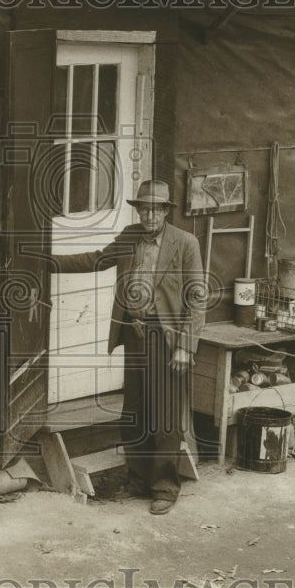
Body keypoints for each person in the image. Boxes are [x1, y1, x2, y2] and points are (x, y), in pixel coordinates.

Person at [53, 179, 206, 514]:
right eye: (144, 208)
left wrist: (185, 347)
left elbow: (197, 299)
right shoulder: (129, 236)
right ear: (138, 210)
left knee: (164, 415)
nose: (150, 214)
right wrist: (50, 263)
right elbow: (96, 259)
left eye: (157, 208)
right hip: (134, 334)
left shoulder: (185, 243)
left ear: (166, 211)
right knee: (134, 410)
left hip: (166, 338)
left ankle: (165, 486)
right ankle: (137, 478)